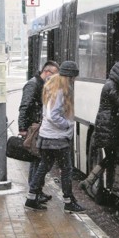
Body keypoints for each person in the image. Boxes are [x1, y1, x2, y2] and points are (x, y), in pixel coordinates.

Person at [25, 61, 85, 213]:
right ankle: (68, 201)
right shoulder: (60, 90)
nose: (74, 81)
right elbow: (53, 115)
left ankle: (31, 198)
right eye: (73, 78)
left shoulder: (51, 86)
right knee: (66, 170)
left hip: (47, 136)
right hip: (56, 138)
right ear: (69, 77)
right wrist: (67, 125)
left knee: (43, 167)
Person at [80, 61, 119, 198]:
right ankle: (116, 183)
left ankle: (89, 181)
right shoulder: (111, 86)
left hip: (106, 129)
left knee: (110, 157)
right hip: (108, 130)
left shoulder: (109, 84)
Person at [18, 60, 59, 202]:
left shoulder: (42, 84)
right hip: (33, 128)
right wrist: (22, 129)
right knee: (37, 159)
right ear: (47, 72)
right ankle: (34, 192)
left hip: (38, 127)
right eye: (54, 74)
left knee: (38, 159)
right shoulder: (33, 84)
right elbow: (24, 106)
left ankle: (37, 191)